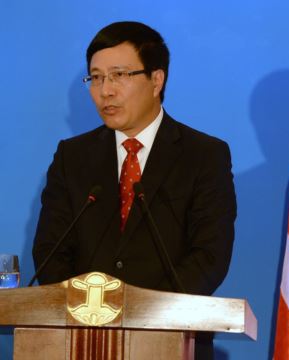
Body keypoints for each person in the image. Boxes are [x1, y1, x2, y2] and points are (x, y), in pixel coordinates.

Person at [32, 21, 236, 359]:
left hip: (171, 339)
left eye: (118, 75)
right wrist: (91, 314)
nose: (105, 91)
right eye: (95, 77)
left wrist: (140, 313)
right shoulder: (72, 156)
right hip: (80, 343)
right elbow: (51, 253)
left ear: (156, 80)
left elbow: (209, 256)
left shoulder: (204, 154)